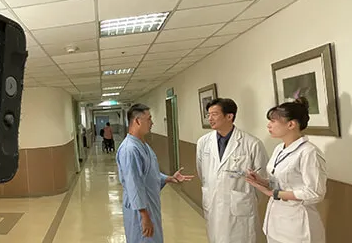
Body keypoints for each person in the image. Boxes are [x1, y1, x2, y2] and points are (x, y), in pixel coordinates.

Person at [245, 97, 328, 243]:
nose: (269, 125)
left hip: (298, 225)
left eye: (273, 121)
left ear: (291, 124)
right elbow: (283, 182)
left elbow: (315, 192)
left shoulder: (309, 152)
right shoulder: (279, 148)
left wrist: (275, 194)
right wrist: (262, 181)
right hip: (276, 221)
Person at [116, 103, 194, 243]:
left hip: (149, 206)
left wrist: (169, 178)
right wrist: (144, 216)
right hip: (139, 211)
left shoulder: (143, 145)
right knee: (143, 239)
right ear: (137, 121)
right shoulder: (130, 150)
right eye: (149, 119)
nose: (152, 123)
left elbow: (150, 174)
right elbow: (134, 184)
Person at [196, 98, 269, 243]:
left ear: (229, 116)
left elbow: (262, 179)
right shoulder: (203, 142)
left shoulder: (252, 144)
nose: (210, 118)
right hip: (213, 205)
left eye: (214, 114)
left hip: (240, 210)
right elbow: (202, 173)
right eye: (208, 115)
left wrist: (244, 198)